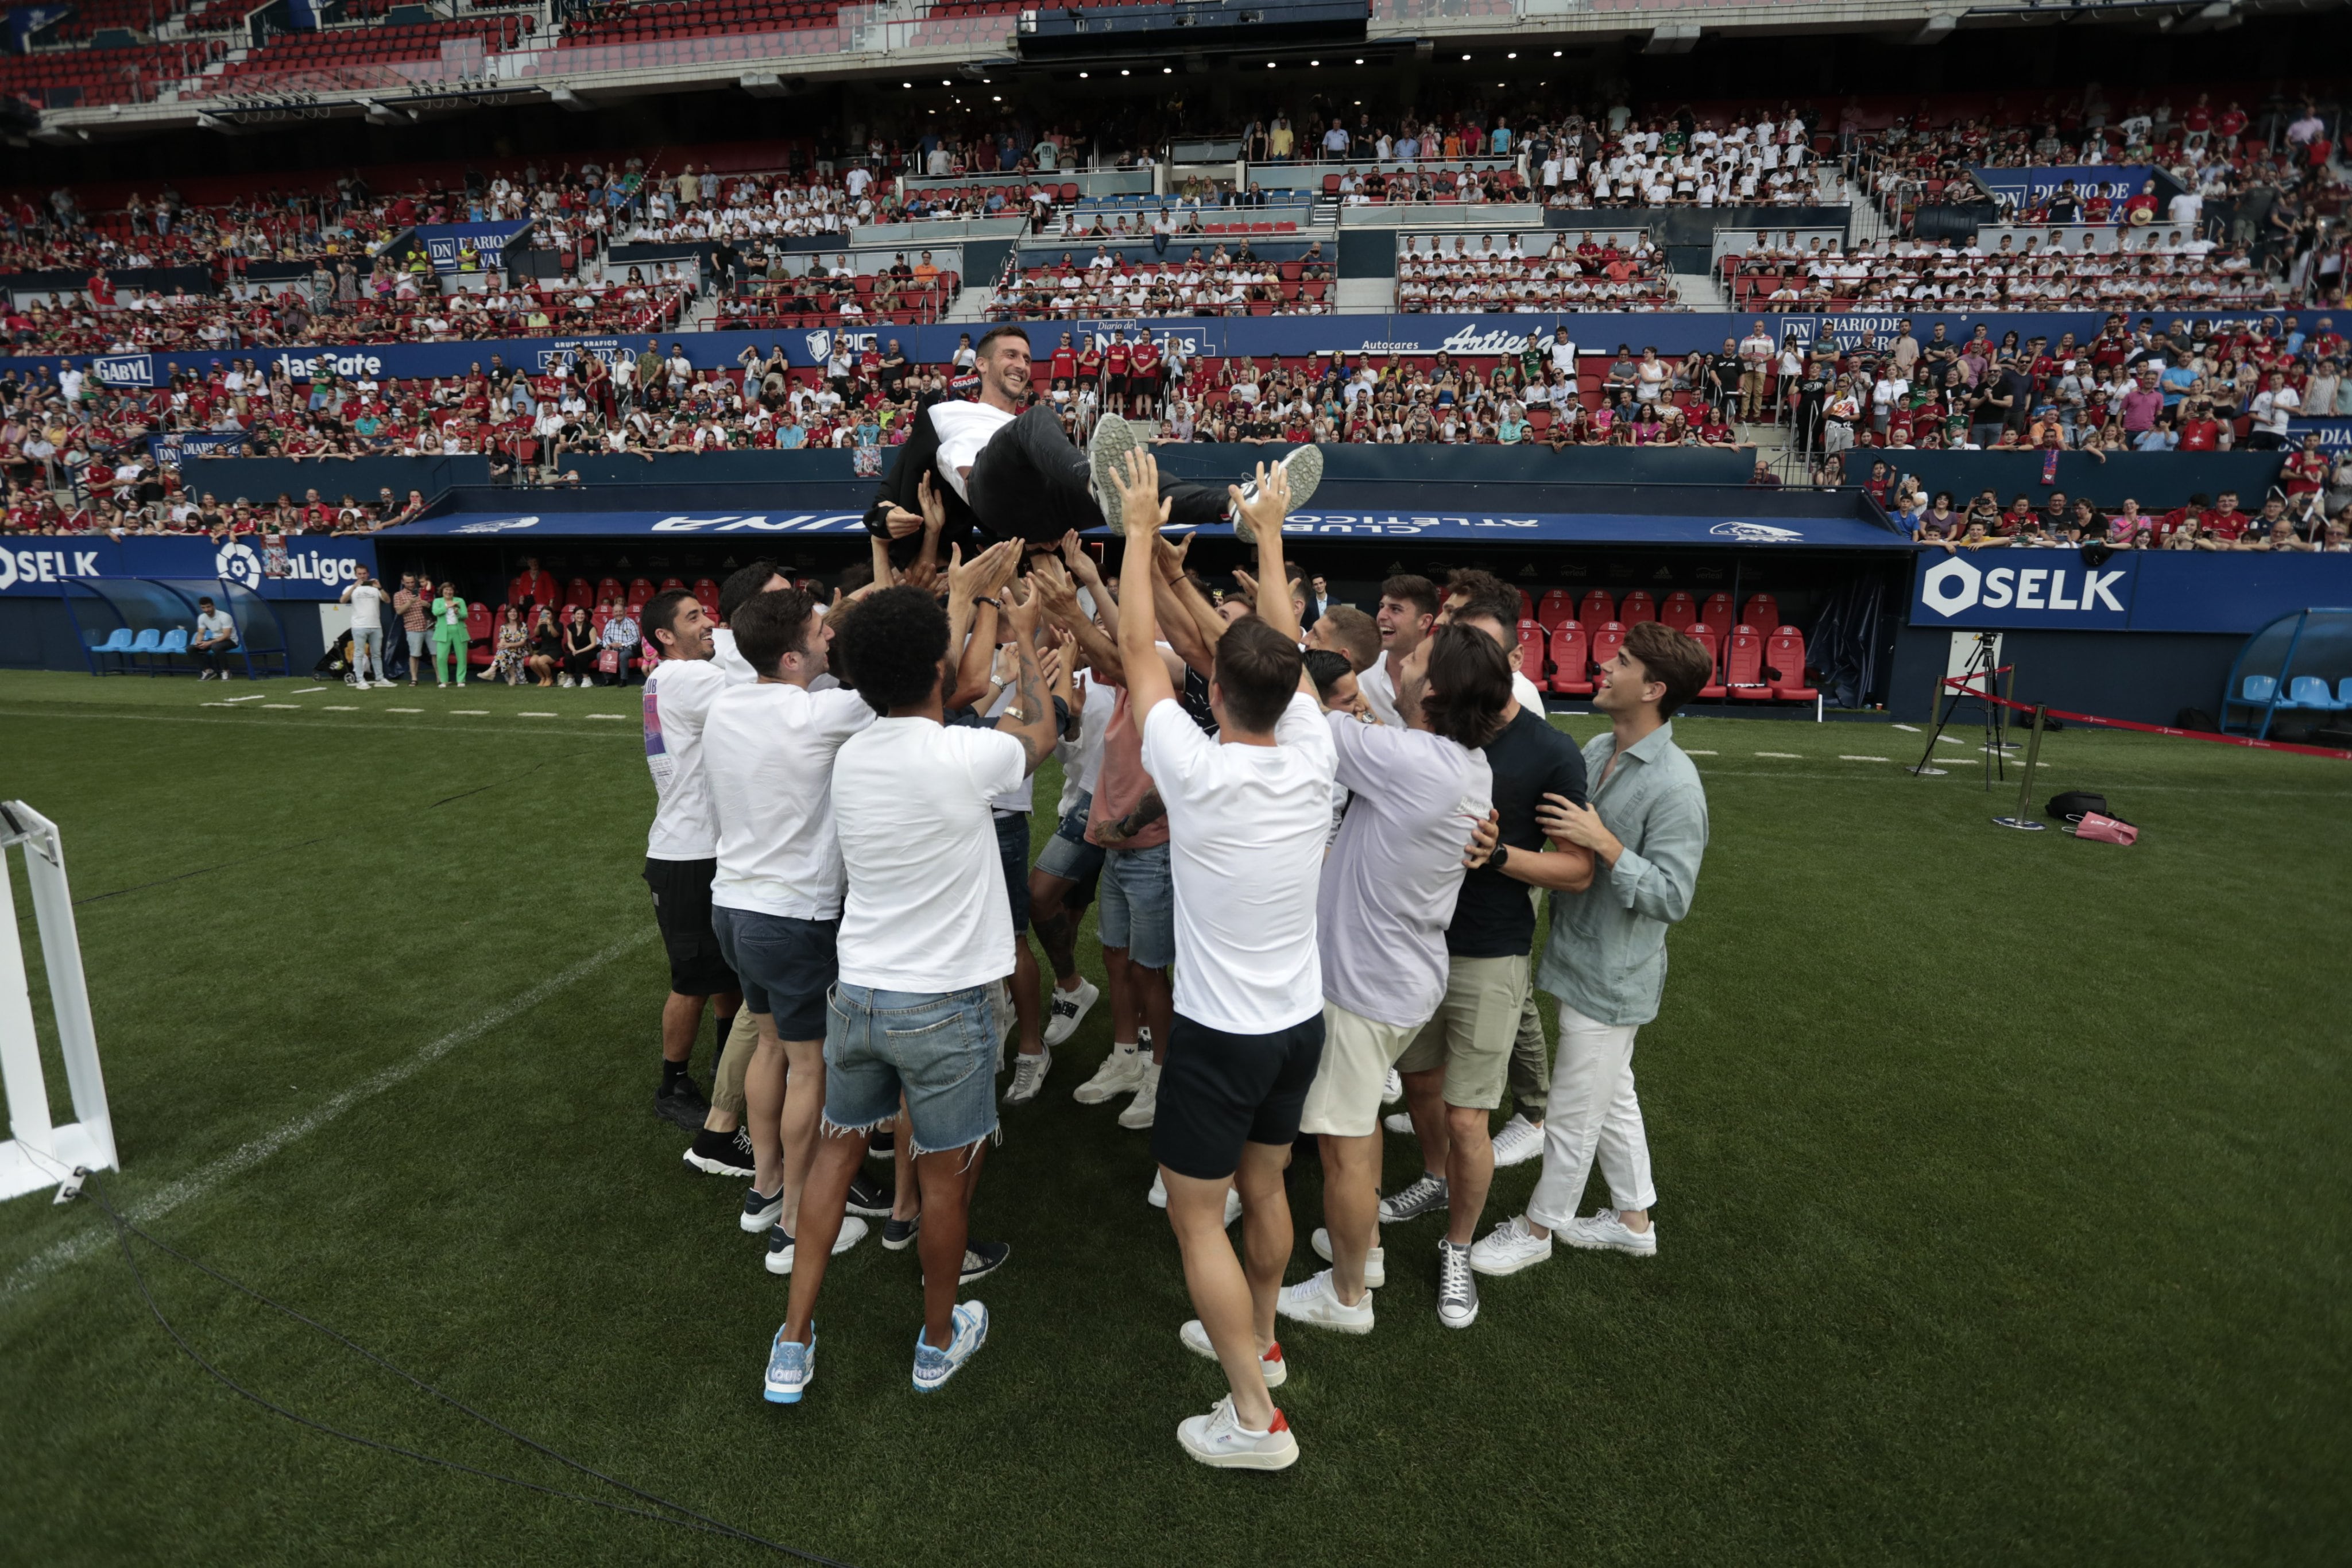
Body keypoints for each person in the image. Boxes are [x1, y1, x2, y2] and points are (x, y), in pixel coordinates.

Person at [763, 570, 1059, 1405]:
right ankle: (935, 1339)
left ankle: (792, 1338)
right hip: (947, 1007)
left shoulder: (853, 755)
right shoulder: (968, 753)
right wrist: (1026, 638)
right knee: (944, 1181)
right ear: (939, 668)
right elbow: (1040, 729)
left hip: (858, 995)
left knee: (833, 1155)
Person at [1108, 451, 1329, 1468]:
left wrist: (1139, 530)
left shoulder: (1193, 769)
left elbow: (1138, 644)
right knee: (1269, 1188)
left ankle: (1253, 1418)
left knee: (1199, 1219)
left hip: (1222, 1034)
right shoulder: (1315, 747)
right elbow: (1279, 640)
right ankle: (1266, 1340)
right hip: (1297, 1025)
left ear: (1218, 688)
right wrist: (1271, 534)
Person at [1279, 623, 1508, 1337]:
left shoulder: (1412, 760)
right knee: (1361, 1126)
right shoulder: (1464, 764)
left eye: (1411, 659)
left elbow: (1293, 701)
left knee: (1341, 1148)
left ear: (1432, 690)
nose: (1394, 661)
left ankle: (1348, 1296)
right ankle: (1365, 1251)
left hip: (1362, 987)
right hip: (1404, 980)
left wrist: (1269, 544)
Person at [1379, 586, 1595, 1326]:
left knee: (1471, 1117)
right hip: (1412, 946)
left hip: (1487, 954)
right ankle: (1435, 1178)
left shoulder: (1549, 751)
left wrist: (1498, 855)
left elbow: (1577, 869)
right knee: (1418, 1086)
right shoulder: (1434, 730)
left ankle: (1458, 1248)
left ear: (1510, 660)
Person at [1472, 620, 1712, 1277]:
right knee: (1615, 1092)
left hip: (1615, 973)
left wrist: (1606, 845)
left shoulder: (1675, 785)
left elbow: (1672, 897)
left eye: (1623, 661)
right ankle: (1634, 1219)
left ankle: (1538, 1228)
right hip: (1581, 956)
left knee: (1575, 1111)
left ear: (1653, 689)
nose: (1604, 663)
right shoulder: (1601, 743)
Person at [705, 586, 893, 1276]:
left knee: (770, 1050)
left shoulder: (729, 699)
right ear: (791, 657)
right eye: (820, 632)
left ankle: (764, 1190)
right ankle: (792, 1225)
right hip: (791, 916)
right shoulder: (821, 712)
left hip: (731, 904)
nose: (831, 639)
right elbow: (914, 681)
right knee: (808, 1065)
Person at [861, 326, 1321, 563]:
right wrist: (886, 518)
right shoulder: (943, 412)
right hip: (993, 495)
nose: (1022, 365)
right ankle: (1096, 483)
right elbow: (884, 495)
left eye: (1026, 358)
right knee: (1042, 420)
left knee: (1138, 470)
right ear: (981, 364)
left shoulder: (1027, 425)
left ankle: (1238, 507)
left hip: (1048, 509)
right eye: (1010, 355)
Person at [638, 589, 744, 1133]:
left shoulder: (672, 676)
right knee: (692, 981)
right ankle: (672, 1085)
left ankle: (728, 1065)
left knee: (726, 971)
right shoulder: (686, 677)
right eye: (694, 617)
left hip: (701, 846)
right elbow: (759, 688)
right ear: (664, 636)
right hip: (688, 853)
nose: (708, 623)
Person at [1356, 575, 1437, 729]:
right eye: (1382, 607)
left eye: (1395, 609)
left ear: (1424, 621)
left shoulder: (1447, 678)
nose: (1381, 616)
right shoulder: (1362, 670)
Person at [339, 564, 390, 688]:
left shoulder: (375, 588)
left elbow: (388, 600)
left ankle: (380, 678)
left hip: (376, 625)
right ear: (356, 575)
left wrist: (380, 588)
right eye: (360, 574)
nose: (362, 576)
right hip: (359, 626)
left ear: (368, 574)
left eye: (364, 574)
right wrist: (354, 587)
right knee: (359, 653)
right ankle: (360, 680)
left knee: (377, 653)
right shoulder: (350, 588)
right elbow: (342, 601)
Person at [428, 580, 469, 687]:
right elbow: (436, 612)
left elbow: (465, 615)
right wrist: (448, 606)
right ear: (442, 591)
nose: (448, 592)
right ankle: (444, 681)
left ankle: (461, 680)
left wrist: (458, 613)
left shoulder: (460, 600)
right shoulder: (437, 601)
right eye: (446, 589)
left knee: (461, 657)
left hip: (459, 630)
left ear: (453, 592)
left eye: (451, 590)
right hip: (443, 631)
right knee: (441, 657)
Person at [392, 574, 429, 686]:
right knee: (415, 654)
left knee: (435, 654)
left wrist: (428, 604)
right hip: (413, 628)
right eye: (408, 582)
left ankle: (440, 678)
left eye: (412, 582)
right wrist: (410, 602)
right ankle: (414, 679)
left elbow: (435, 605)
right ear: (403, 582)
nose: (411, 585)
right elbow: (399, 611)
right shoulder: (399, 595)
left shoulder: (423, 591)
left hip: (429, 626)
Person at [192, 595, 238, 679]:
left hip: (231, 641)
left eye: (208, 607)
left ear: (213, 606)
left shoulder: (225, 616)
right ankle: (208, 671)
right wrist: (198, 643)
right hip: (215, 640)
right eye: (203, 608)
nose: (206, 610)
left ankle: (226, 672)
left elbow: (227, 636)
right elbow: (201, 633)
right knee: (191, 649)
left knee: (216, 647)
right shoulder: (202, 617)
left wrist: (209, 643)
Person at [559, 605, 600, 686]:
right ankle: (571, 679)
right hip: (576, 650)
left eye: (582, 614)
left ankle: (587, 679)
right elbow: (570, 642)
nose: (580, 616)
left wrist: (579, 651)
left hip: (590, 651)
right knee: (568, 657)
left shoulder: (591, 627)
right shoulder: (570, 627)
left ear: (585, 616)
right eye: (578, 614)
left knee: (580, 656)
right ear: (574, 615)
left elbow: (593, 644)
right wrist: (574, 650)